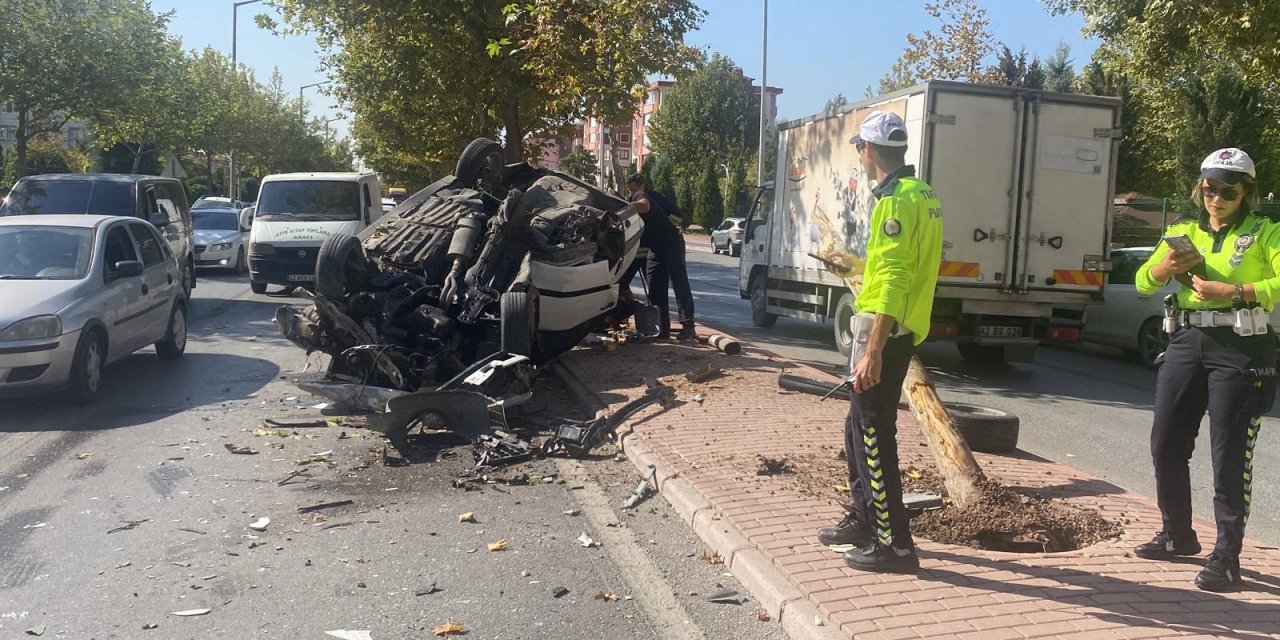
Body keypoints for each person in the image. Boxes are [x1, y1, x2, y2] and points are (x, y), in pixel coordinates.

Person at [1132, 147, 1279, 592]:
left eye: (1228, 192)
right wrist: (1164, 267)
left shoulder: (1266, 233)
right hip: (1186, 340)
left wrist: (1235, 290)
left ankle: (1227, 558)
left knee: (1228, 455)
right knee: (1166, 442)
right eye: (1209, 189)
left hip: (1242, 346)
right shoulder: (1181, 231)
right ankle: (1177, 534)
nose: (1216, 199)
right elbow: (1142, 282)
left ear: (1246, 192)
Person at [815, 110, 943, 574]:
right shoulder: (922, 193)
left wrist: (873, 351)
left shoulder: (893, 201)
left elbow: (894, 278)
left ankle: (894, 545)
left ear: (868, 150)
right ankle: (864, 518)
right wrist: (854, 265)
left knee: (873, 434)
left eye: (859, 148)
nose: (859, 155)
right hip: (898, 326)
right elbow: (897, 267)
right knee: (857, 425)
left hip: (885, 332)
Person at [626, 173, 696, 340]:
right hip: (654, 247)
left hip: (670, 243)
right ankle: (661, 329)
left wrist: (663, 228)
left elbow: (672, 215)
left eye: (634, 189)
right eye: (629, 189)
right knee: (655, 284)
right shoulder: (631, 198)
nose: (631, 192)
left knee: (679, 282)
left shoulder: (644, 197)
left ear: (642, 185)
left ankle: (688, 326)